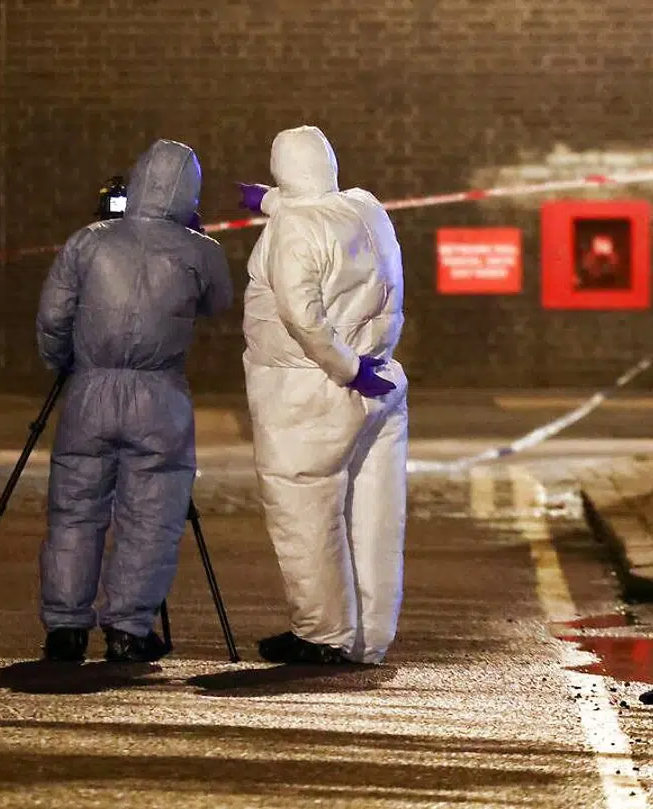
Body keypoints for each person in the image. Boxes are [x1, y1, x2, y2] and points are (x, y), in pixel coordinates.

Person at [36, 139, 234, 664]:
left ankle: (65, 627)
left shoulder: (87, 242)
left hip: (89, 391)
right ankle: (128, 628)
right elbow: (219, 302)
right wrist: (196, 236)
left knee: (74, 510)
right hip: (159, 397)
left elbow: (53, 318)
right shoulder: (199, 251)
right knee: (151, 517)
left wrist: (67, 365)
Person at [237, 124, 409, 666]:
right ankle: (369, 637)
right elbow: (315, 207)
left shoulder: (292, 232)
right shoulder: (366, 208)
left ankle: (323, 633)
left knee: (305, 508)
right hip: (382, 380)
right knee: (374, 516)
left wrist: (347, 369)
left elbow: (303, 318)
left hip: (310, 391)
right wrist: (269, 200)